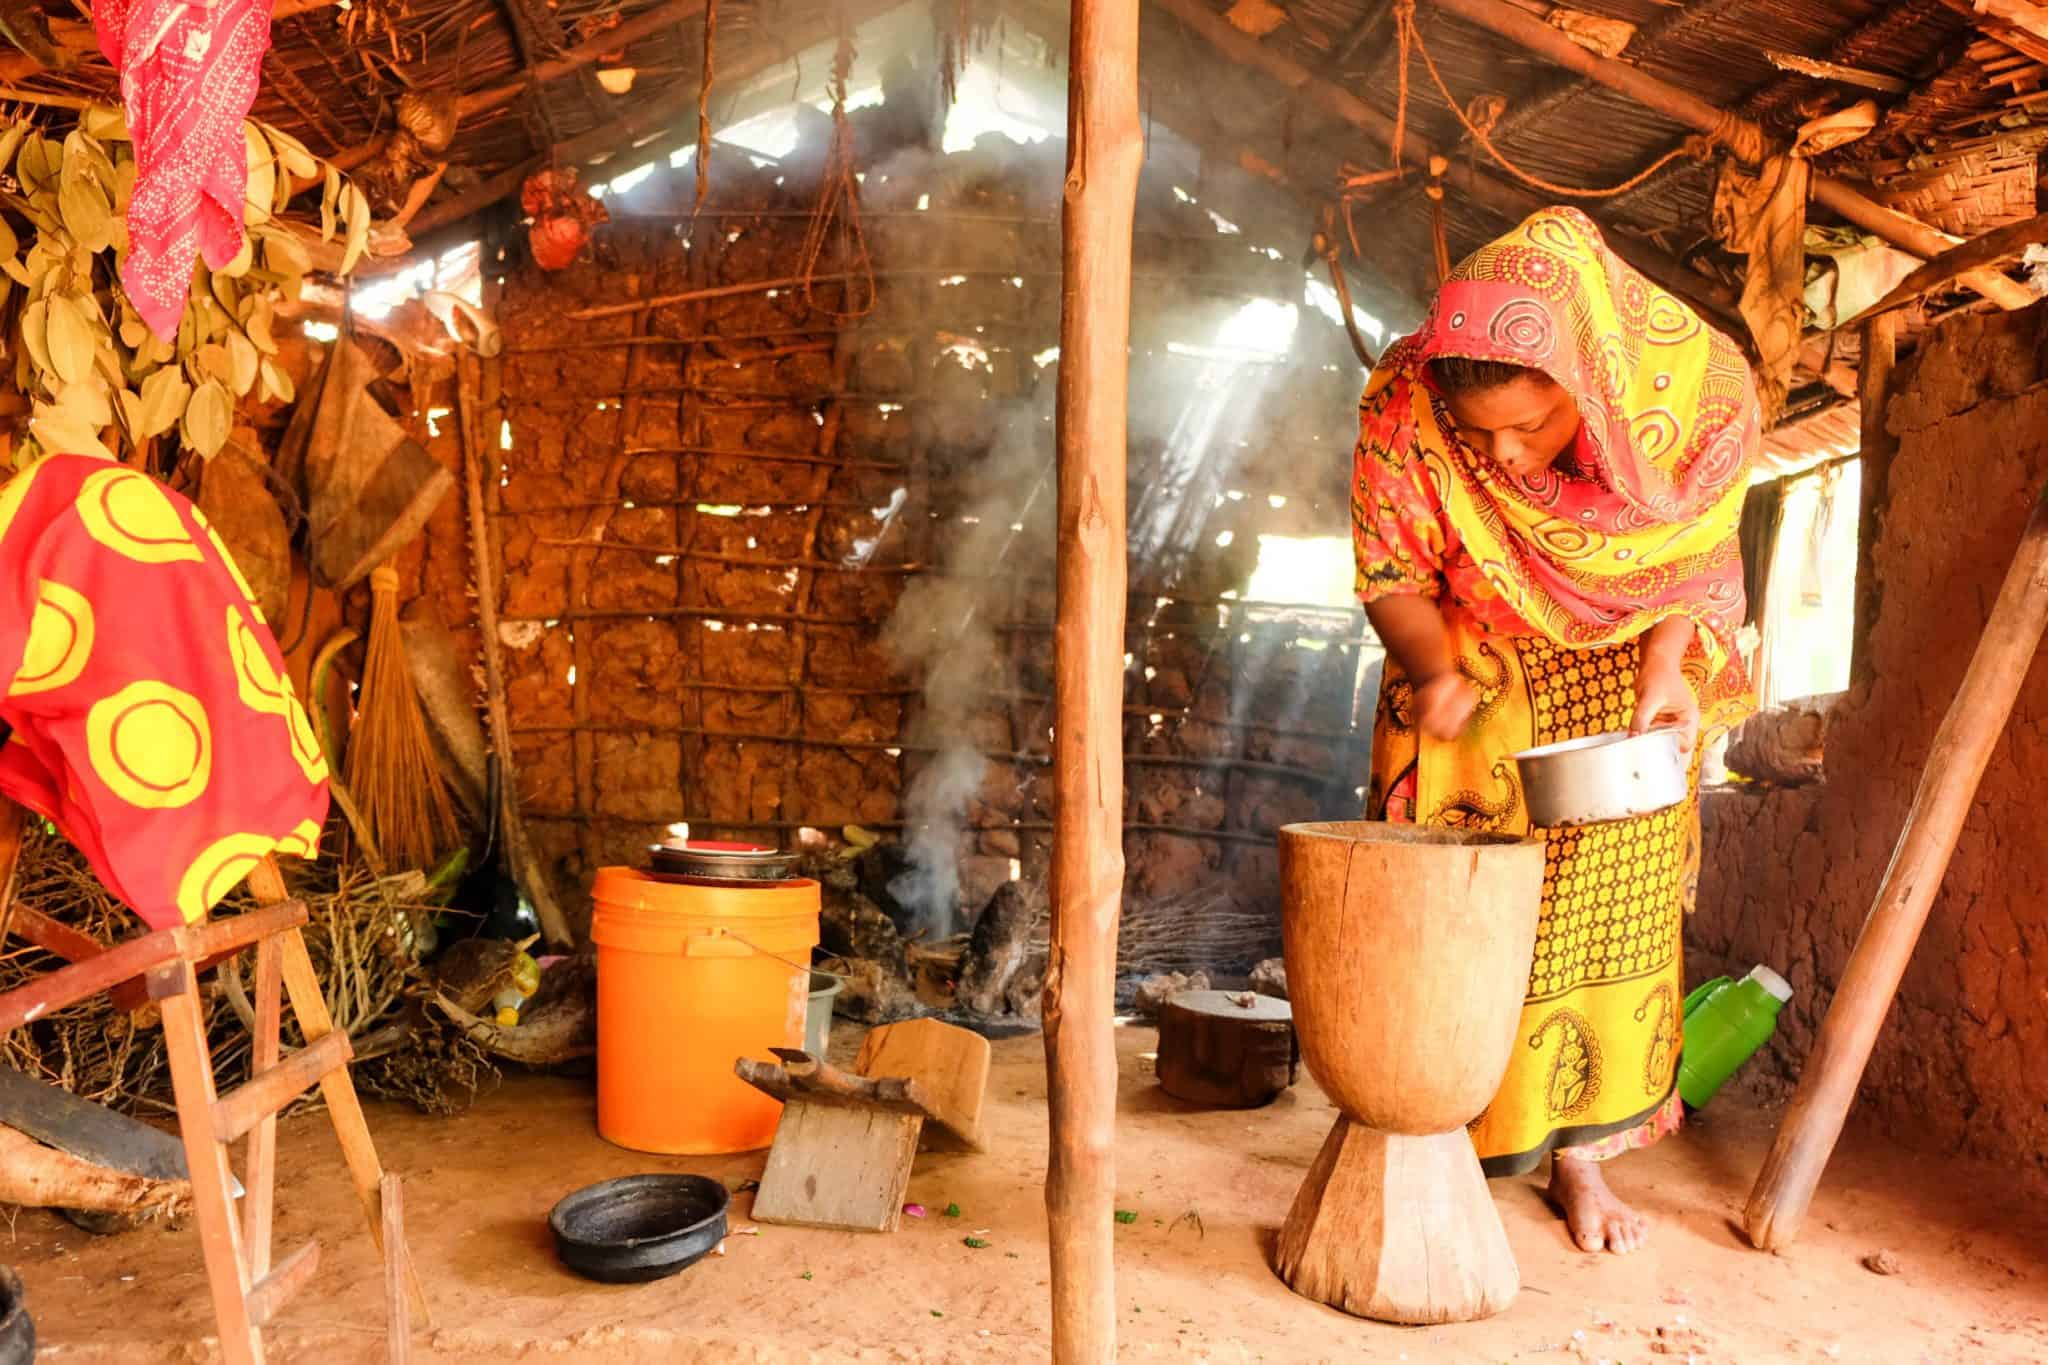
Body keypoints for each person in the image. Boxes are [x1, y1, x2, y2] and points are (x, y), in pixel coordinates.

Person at [1351, 207, 1757, 1255]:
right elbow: (1391, 571)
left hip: (1624, 678)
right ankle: (1430, 1126)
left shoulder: (1696, 393)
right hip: (1464, 657)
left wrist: (1665, 671)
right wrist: (1433, 669)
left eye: (1528, 426)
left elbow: (1695, 553)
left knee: (1601, 908)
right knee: (1453, 899)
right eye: (1476, 433)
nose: (1502, 455)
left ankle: (1576, 1156)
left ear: (1588, 377)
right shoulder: (1404, 402)